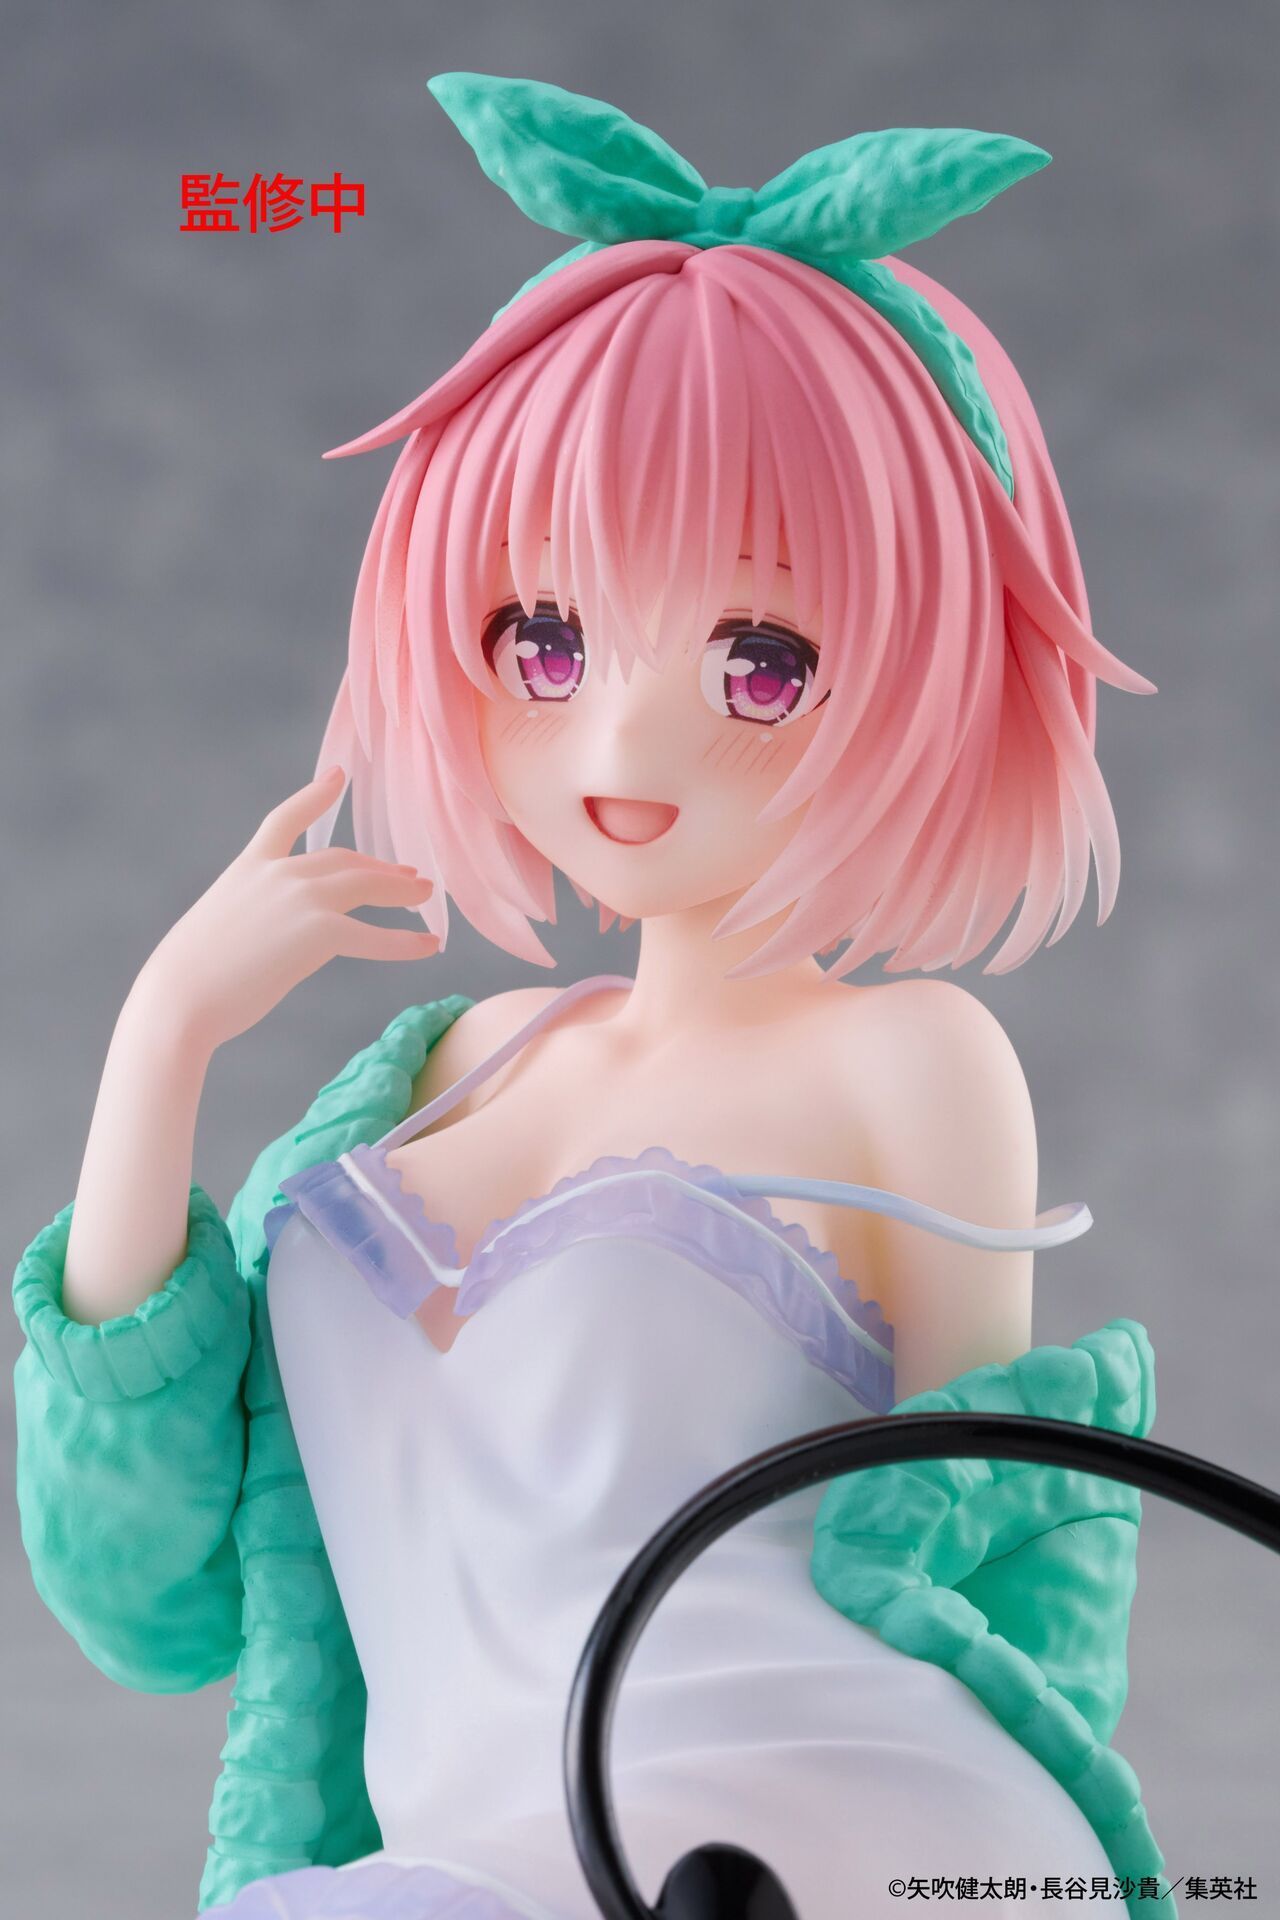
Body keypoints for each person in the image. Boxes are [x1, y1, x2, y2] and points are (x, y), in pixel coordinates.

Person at [11, 73, 1176, 1919]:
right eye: (541, 639)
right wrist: (162, 1040)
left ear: (931, 665)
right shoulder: (437, 1077)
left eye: (763, 661)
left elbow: (1001, 1561)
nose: (621, 743)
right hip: (457, 1869)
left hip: (809, 1848)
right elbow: (142, 1600)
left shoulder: (910, 1059)